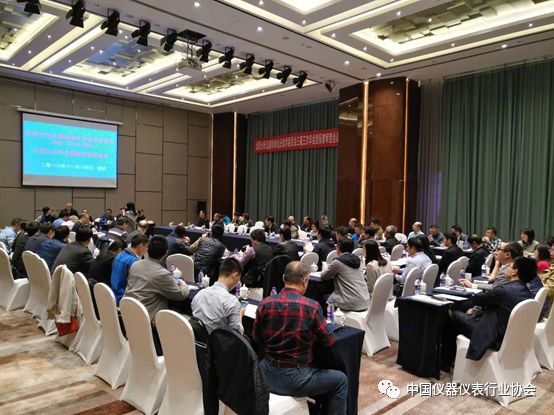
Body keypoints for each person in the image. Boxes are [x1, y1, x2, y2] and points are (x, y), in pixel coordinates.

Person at [254, 262, 348, 415]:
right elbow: (329, 341)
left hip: (265, 374)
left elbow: (257, 337)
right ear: (305, 280)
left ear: (283, 278)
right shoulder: (311, 307)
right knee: (341, 381)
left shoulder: (265, 303)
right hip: (296, 380)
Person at [450, 256, 536, 361]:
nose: (507, 268)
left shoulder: (503, 290)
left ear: (515, 272)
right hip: (512, 336)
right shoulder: (529, 293)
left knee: (453, 312)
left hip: (492, 335)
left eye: (510, 266)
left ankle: (447, 360)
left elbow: (477, 300)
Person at [123, 235, 190, 355]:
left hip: (130, 314)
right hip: (149, 321)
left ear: (147, 249)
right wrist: (184, 284)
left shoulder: (135, 265)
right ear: (166, 253)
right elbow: (180, 295)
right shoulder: (161, 274)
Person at [192, 257, 244, 334]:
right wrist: (240, 316)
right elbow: (237, 335)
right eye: (239, 278)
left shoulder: (199, 294)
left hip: (199, 339)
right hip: (219, 341)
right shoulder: (232, 302)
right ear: (235, 275)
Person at [321, 238, 369, 312]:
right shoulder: (358, 261)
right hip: (365, 300)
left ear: (338, 248)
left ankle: (328, 318)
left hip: (350, 302)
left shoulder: (338, 262)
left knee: (322, 297)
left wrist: (327, 268)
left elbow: (324, 276)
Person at [111, 234, 149, 305]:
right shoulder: (134, 261)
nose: (147, 250)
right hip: (124, 300)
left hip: (113, 295)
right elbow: (136, 285)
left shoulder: (119, 255)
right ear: (141, 246)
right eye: (146, 247)